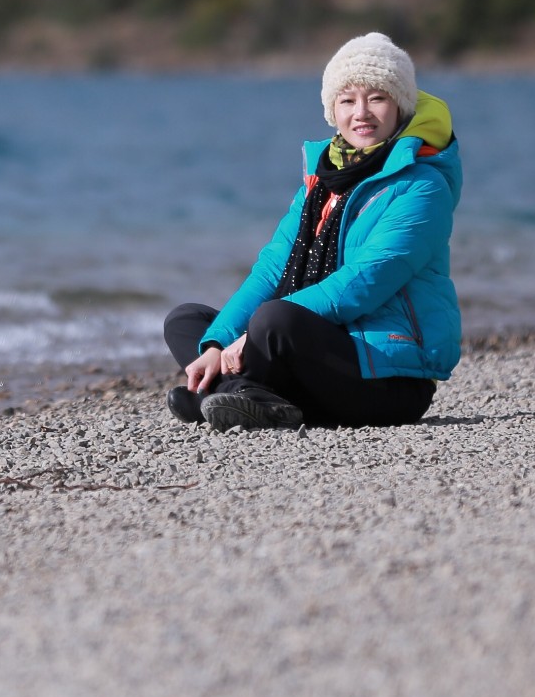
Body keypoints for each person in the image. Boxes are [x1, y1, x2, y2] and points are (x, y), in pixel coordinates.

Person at [163, 33, 461, 431]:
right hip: (318, 352)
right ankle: (241, 393)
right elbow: (272, 270)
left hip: (385, 376)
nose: (362, 113)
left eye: (377, 98)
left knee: (275, 320)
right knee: (186, 321)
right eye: (347, 99)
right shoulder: (321, 182)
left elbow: (363, 282)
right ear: (332, 110)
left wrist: (251, 337)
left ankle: (230, 392)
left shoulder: (422, 185)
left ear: (400, 107)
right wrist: (219, 343)